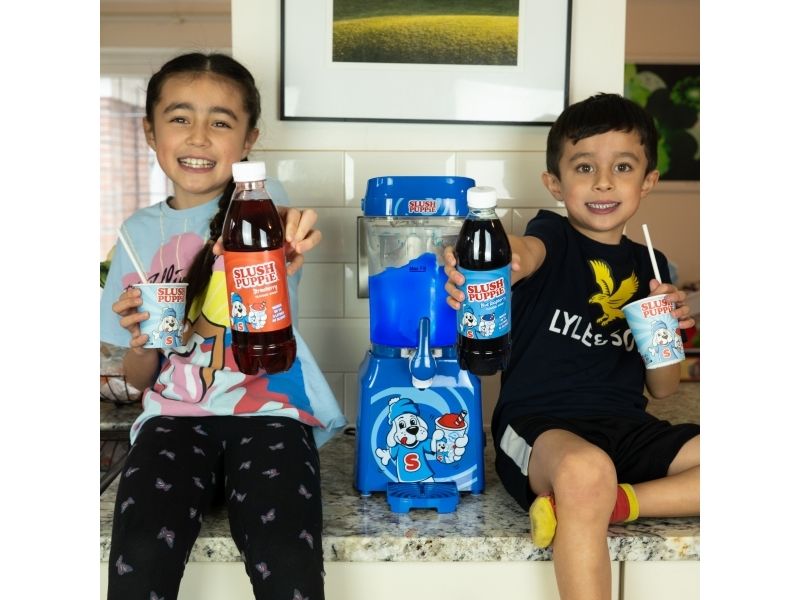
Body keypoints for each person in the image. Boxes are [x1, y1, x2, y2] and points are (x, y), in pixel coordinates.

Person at [100, 52, 346, 600]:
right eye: (179, 117)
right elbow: (139, 379)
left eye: (220, 122)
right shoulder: (135, 234)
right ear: (150, 131)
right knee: (140, 555)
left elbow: (288, 224)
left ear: (249, 139)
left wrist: (291, 237)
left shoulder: (262, 208)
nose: (198, 136)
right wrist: (140, 342)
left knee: (286, 557)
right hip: (174, 417)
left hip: (270, 413)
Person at [444, 93, 699, 600]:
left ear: (647, 181)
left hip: (625, 428)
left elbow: (664, 389)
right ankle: (590, 491)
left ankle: (615, 501)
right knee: (586, 469)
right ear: (555, 184)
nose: (603, 182)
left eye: (622, 167)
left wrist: (667, 333)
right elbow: (524, 253)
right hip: (541, 429)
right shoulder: (552, 236)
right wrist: (497, 259)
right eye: (585, 167)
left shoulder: (651, 265)